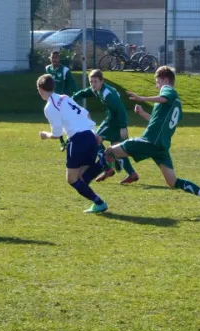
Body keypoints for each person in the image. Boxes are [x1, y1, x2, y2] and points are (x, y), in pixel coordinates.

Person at [104, 66, 200, 215]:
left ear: (166, 80)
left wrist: (142, 98)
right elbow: (157, 122)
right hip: (161, 147)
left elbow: (165, 96)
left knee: (109, 151)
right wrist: (142, 113)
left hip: (150, 141)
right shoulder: (177, 105)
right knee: (173, 182)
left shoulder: (169, 91)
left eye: (157, 81)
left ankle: (104, 173)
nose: (157, 85)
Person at [37, 73, 108, 214]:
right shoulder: (64, 97)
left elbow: (57, 135)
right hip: (90, 137)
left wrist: (45, 135)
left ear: (40, 89)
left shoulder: (49, 107)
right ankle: (99, 201)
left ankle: (103, 164)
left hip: (78, 140)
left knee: (71, 179)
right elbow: (86, 113)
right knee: (82, 179)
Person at [73, 69, 139, 184]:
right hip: (115, 121)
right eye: (91, 82)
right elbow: (86, 92)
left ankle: (108, 168)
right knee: (117, 148)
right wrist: (73, 98)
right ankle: (132, 174)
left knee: (95, 140)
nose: (93, 84)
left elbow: (120, 108)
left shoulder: (107, 93)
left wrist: (123, 126)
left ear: (101, 81)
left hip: (113, 122)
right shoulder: (98, 89)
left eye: (95, 82)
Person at [45, 50, 79, 151]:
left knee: (66, 121)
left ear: (59, 59)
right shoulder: (48, 69)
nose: (54, 59)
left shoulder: (65, 70)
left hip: (63, 101)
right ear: (50, 58)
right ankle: (62, 142)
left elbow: (72, 84)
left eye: (56, 57)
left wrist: (76, 95)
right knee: (55, 121)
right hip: (52, 100)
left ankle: (70, 140)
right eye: (53, 57)